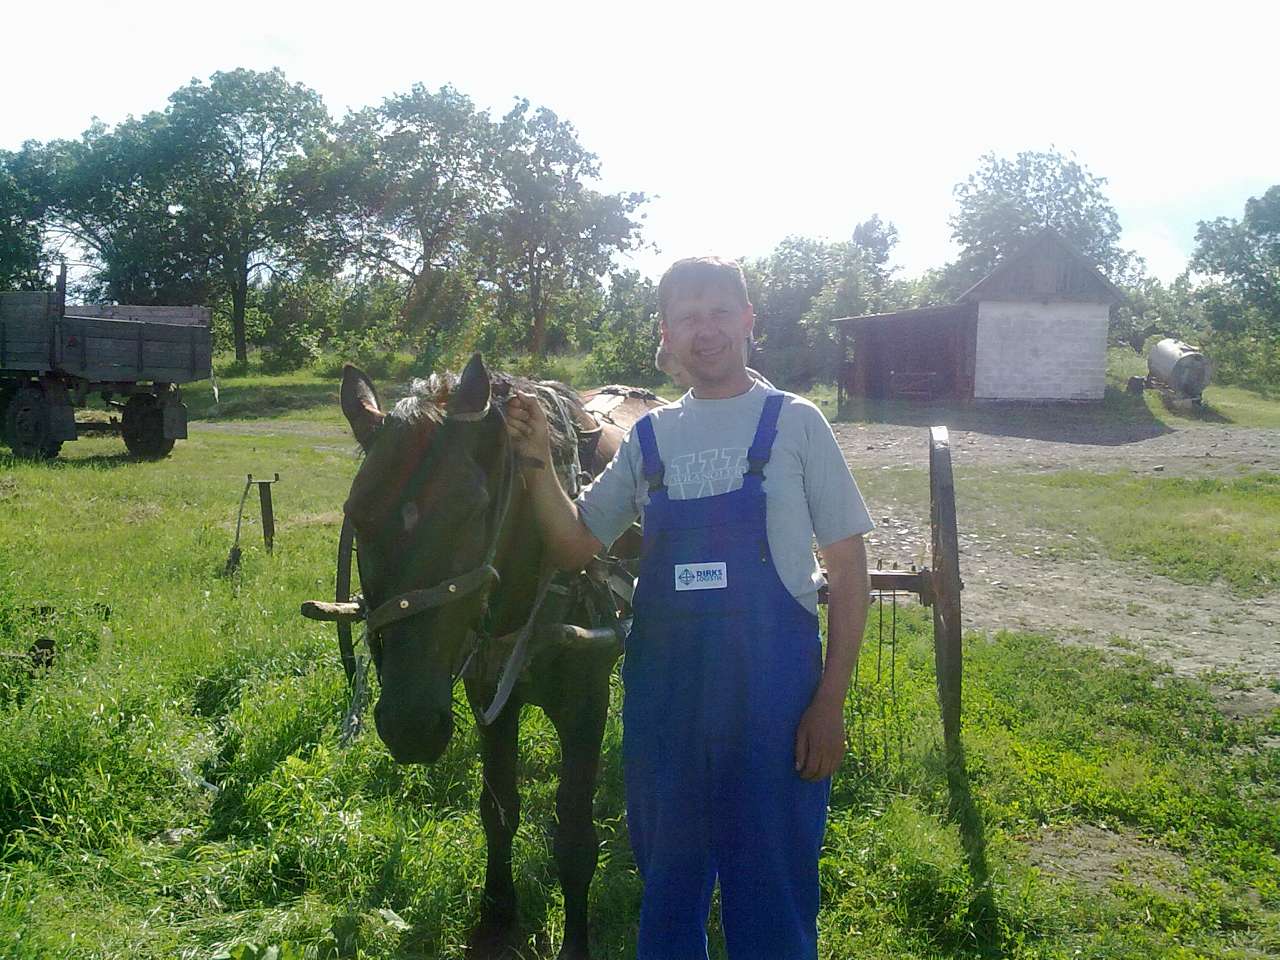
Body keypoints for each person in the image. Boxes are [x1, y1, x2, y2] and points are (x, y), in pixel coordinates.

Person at [506, 256, 872, 960]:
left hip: (774, 701)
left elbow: (849, 575)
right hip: (666, 707)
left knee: (772, 890)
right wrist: (534, 461)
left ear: (747, 321)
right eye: (686, 319)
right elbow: (577, 544)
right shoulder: (649, 440)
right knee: (669, 889)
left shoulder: (795, 424)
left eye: (716, 313)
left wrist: (830, 704)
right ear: (665, 336)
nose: (703, 331)